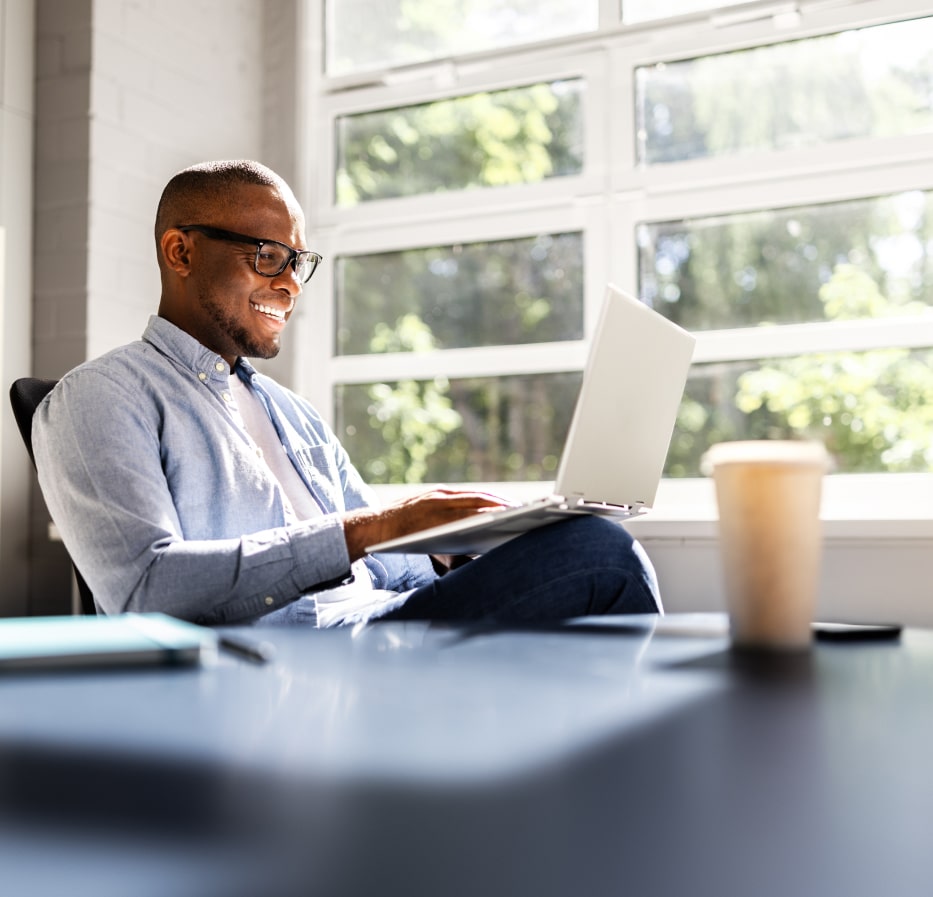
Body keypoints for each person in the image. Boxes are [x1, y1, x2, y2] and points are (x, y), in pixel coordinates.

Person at [32, 160, 661, 627]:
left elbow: (384, 562)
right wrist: (374, 526)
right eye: (268, 255)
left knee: (572, 549)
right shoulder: (99, 398)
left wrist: (464, 547)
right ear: (180, 251)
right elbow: (146, 591)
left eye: (298, 262)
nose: (290, 284)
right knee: (600, 558)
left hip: (378, 623)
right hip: (286, 661)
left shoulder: (292, 415)